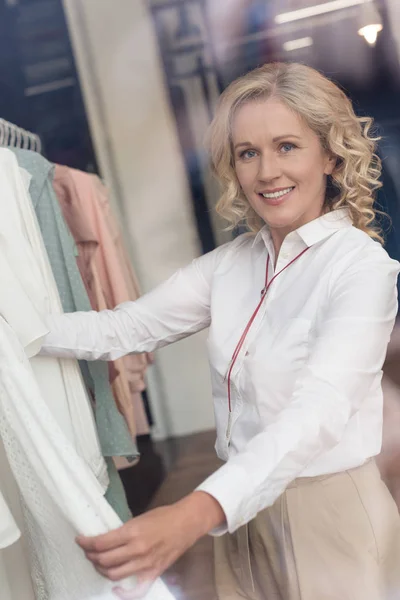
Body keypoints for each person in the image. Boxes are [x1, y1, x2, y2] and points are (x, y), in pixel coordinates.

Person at [41, 62, 400, 600]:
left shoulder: (361, 268)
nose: (266, 172)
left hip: (326, 515)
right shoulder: (231, 264)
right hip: (240, 515)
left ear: (329, 155)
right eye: (247, 153)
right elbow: (124, 328)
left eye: (286, 146)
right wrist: (19, 330)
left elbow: (318, 412)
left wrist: (193, 513)